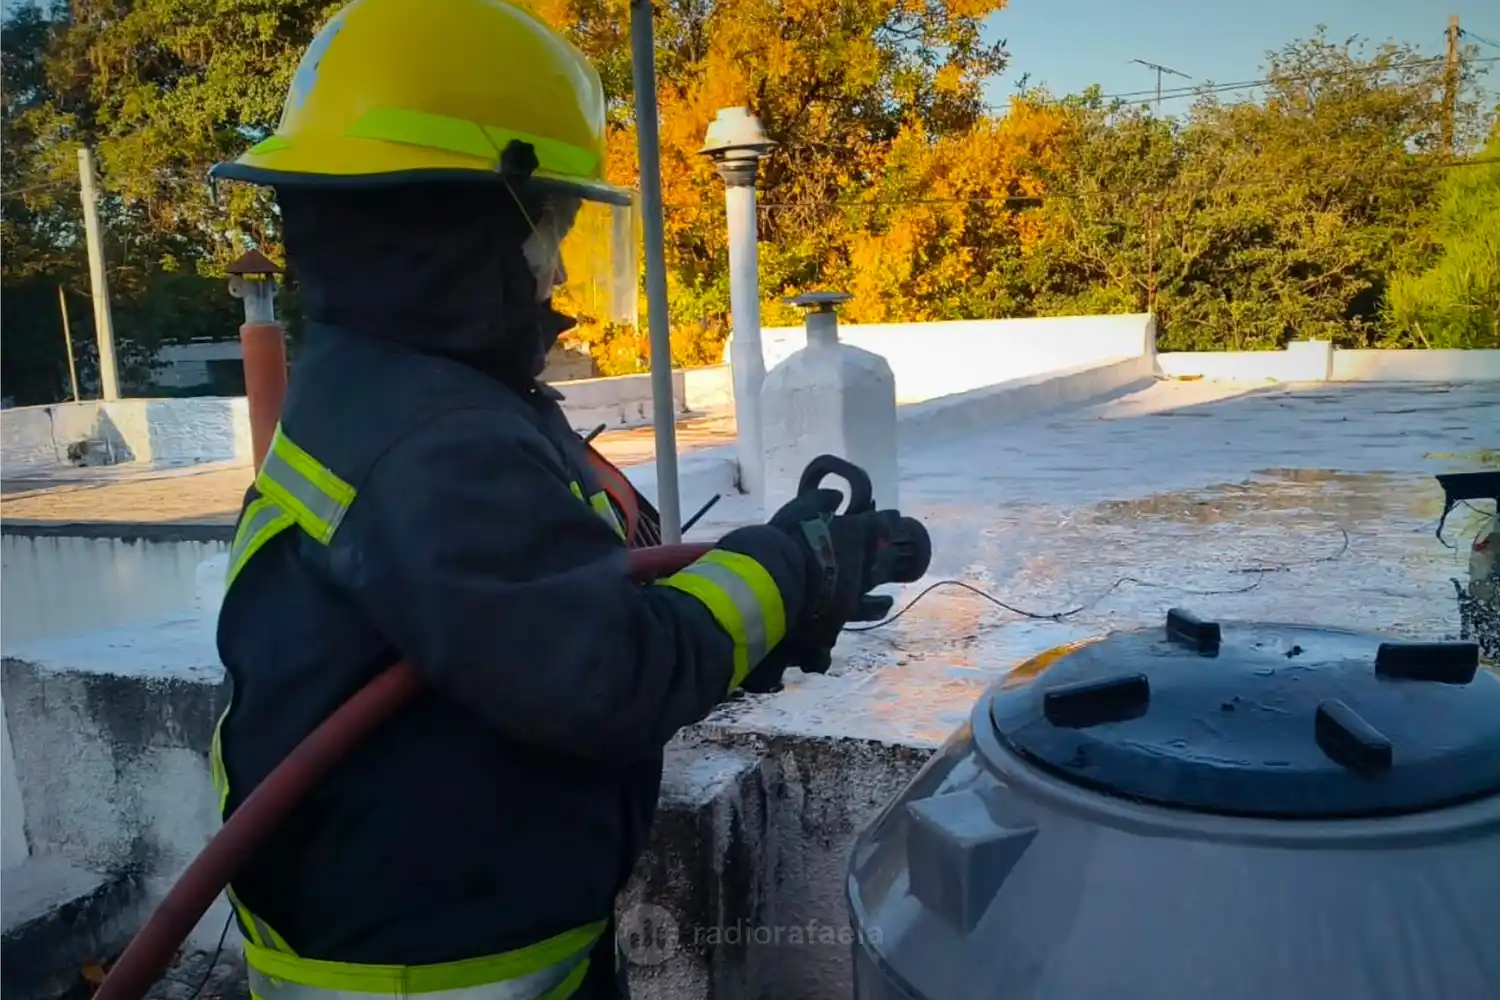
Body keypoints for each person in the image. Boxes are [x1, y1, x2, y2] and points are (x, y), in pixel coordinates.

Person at [208, 1, 915, 998]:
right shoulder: (437, 440)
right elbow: (600, 672)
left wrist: (783, 608)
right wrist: (792, 570)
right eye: (548, 231)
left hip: (472, 942)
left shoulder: (397, 388)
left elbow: (551, 617)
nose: (555, 274)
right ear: (461, 223)